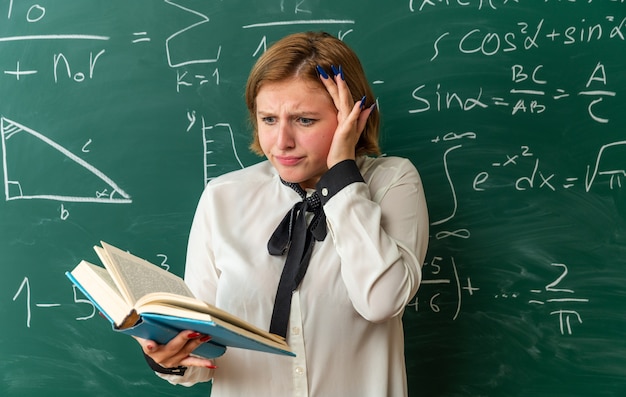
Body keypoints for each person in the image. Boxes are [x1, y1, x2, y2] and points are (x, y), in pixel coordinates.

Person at [135, 31, 429, 396]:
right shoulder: (223, 198)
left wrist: (342, 176)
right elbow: (204, 351)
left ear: (351, 117)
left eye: (304, 120)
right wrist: (170, 357)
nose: (282, 141)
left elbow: (380, 301)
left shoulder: (393, 182)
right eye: (269, 119)